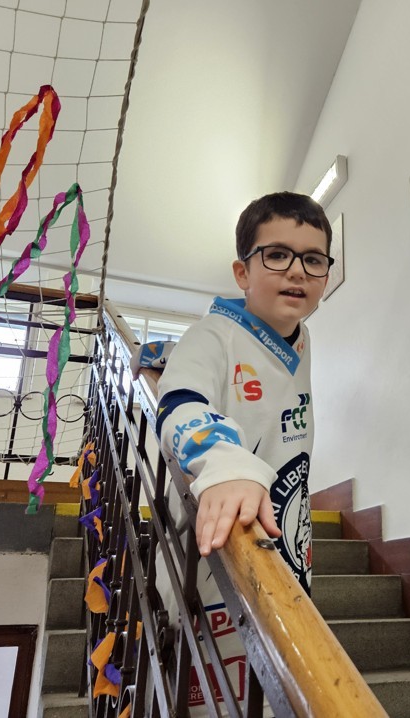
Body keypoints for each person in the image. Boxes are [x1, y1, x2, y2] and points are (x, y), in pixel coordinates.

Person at [150, 191, 333, 710]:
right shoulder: (211, 334)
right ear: (241, 272)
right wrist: (224, 463)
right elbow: (180, 402)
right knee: (212, 696)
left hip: (285, 548)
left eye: (313, 259)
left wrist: (158, 353)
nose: (296, 271)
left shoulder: (301, 338)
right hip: (215, 547)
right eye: (276, 255)